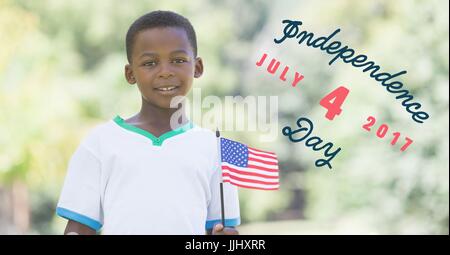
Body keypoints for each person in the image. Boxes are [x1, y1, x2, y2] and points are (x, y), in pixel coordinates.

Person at [56, 10, 240, 235]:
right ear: (130, 73)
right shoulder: (100, 143)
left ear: (197, 67)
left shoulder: (217, 149)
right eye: (150, 63)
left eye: (178, 60)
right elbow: (78, 228)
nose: (165, 72)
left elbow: (221, 231)